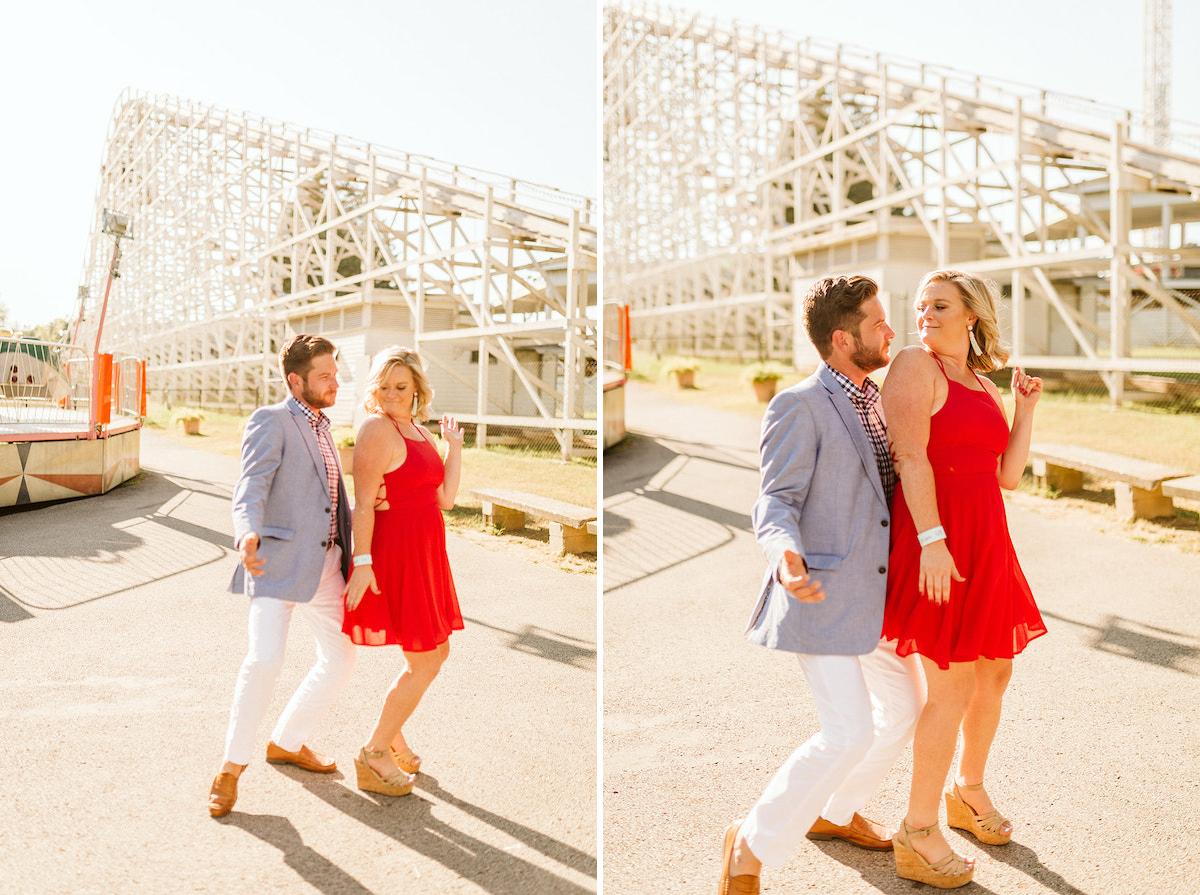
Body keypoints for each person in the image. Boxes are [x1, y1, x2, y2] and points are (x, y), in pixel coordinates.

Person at [719, 276, 924, 895]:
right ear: (842, 339)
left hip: (879, 595)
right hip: (823, 591)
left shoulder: (879, 397)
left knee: (909, 709)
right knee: (849, 731)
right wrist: (786, 556)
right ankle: (750, 843)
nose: (891, 332)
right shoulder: (798, 404)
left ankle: (835, 812)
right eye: (878, 324)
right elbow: (775, 501)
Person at [881, 269, 1047, 888]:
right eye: (921, 304)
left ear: (971, 314)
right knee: (948, 687)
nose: (925, 313)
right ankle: (918, 830)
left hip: (987, 539)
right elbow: (910, 455)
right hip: (938, 539)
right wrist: (931, 541)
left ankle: (967, 790)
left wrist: (1025, 410)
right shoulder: (914, 366)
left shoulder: (981, 379)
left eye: (939, 305)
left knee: (996, 672)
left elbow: (1006, 475)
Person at [208, 334, 357, 818]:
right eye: (325, 376)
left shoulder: (324, 427)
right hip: (275, 561)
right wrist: (246, 531)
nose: (335, 382)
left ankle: (288, 740)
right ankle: (230, 768)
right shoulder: (272, 420)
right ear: (296, 381)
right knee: (265, 661)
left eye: (335, 373)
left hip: (328, 566)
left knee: (340, 659)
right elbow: (250, 484)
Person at [342, 346, 465, 796]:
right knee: (426, 658)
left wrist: (454, 447)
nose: (391, 394)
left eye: (401, 387)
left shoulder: (416, 429)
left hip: (427, 552)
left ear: (416, 390)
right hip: (396, 554)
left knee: (436, 654)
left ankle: (392, 737)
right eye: (384, 387)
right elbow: (364, 503)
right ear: (374, 389)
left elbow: (445, 499)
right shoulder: (376, 429)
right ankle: (374, 752)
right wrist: (363, 562)